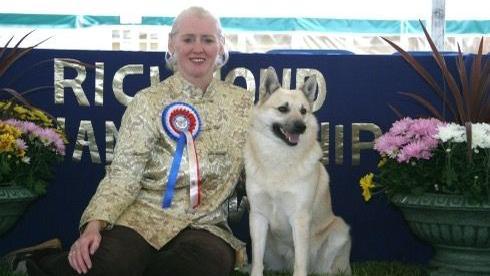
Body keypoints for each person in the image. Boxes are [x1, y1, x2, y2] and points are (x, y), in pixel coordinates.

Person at [6, 6, 253, 276]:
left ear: (221, 45)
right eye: (188, 39)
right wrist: (94, 225)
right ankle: (39, 259)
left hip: (206, 226)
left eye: (208, 39)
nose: (198, 48)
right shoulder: (147, 101)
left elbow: (255, 168)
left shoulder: (242, 104)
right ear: (172, 44)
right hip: (143, 218)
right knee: (103, 268)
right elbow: (124, 173)